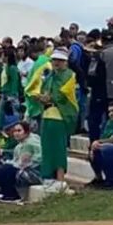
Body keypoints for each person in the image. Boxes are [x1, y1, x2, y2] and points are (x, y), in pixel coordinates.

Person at [38, 48, 78, 187]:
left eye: (60, 60)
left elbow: (61, 94)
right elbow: (42, 90)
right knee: (46, 147)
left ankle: (60, 178)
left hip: (60, 115)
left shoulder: (69, 75)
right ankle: (48, 176)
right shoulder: (50, 76)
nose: (56, 63)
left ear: (65, 62)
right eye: (55, 60)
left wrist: (48, 98)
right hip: (47, 114)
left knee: (59, 147)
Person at [0, 118, 42, 204]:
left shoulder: (30, 143)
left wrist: (8, 164)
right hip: (24, 168)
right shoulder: (21, 144)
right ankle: (4, 192)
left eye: (19, 131)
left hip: (34, 172)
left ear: (26, 132)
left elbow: (28, 162)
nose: (16, 133)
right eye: (15, 131)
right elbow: (16, 161)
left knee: (6, 169)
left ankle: (11, 195)